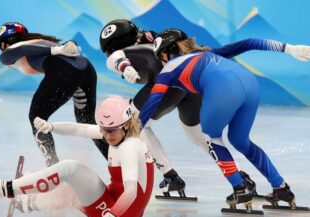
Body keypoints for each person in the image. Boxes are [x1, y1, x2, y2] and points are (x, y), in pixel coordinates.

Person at [99, 19, 310, 197]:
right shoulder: (202, 52)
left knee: (141, 124)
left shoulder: (147, 58)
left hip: (183, 87)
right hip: (227, 87)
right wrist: (289, 49)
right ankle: (268, 183)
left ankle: (177, 176)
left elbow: (115, 60)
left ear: (165, 52)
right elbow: (248, 43)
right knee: (213, 137)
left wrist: (124, 70)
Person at [0, 96, 154, 217]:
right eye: (103, 129)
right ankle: (27, 203)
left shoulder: (130, 147)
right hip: (125, 211)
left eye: (110, 131)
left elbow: (130, 193)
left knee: (70, 169)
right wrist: (51, 126)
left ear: (125, 125)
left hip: (117, 214)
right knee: (70, 191)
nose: (105, 135)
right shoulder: (121, 132)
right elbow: (79, 130)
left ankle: (2, 188)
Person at [0, 22, 108, 166]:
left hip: (64, 71)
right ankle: (117, 162)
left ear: (3, 44)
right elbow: (70, 46)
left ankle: (52, 164)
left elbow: (13, 52)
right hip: (86, 69)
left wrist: (56, 50)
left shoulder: (13, 50)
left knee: (36, 117)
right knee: (87, 122)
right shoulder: (42, 43)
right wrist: (58, 48)